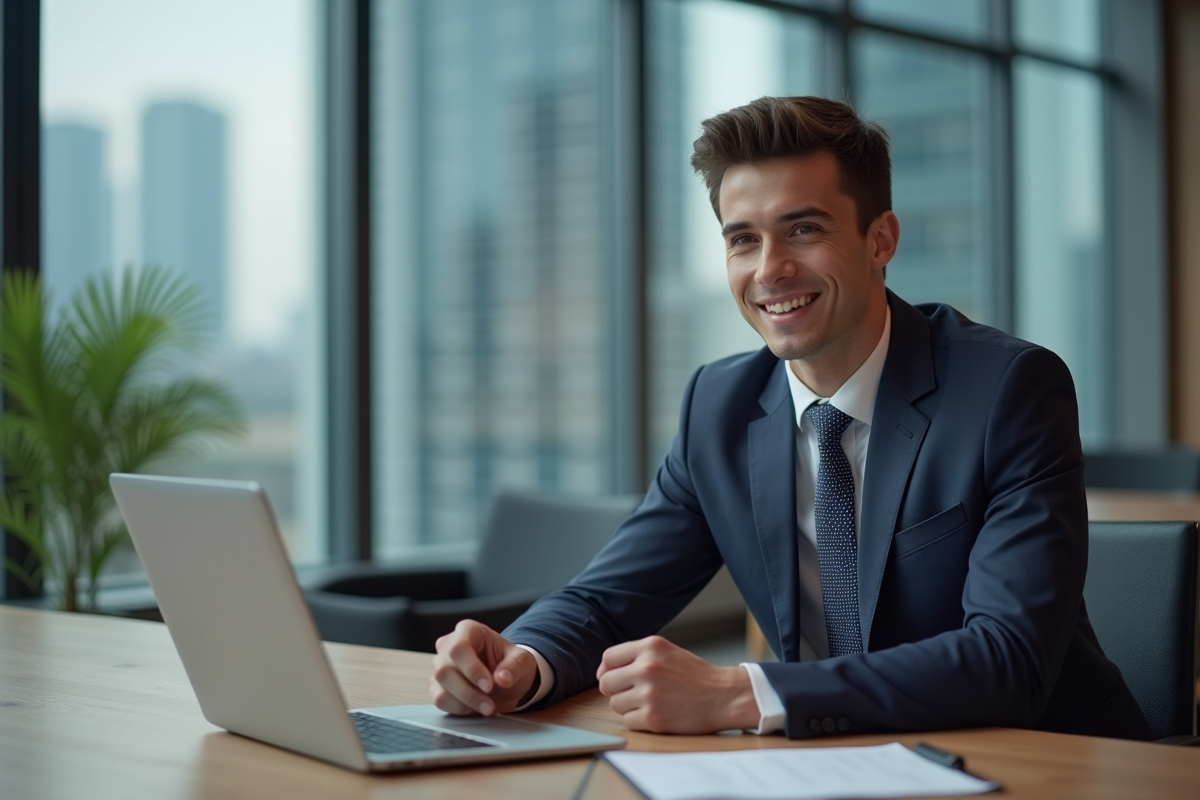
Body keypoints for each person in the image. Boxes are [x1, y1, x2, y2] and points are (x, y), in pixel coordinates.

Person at [428, 96, 1151, 740]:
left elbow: (1009, 659)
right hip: (828, 762)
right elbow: (607, 599)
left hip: (1042, 762)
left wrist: (742, 694)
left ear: (880, 239)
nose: (769, 269)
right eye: (742, 238)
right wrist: (519, 663)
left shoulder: (1007, 390)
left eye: (803, 229)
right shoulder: (718, 405)